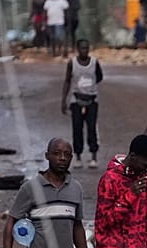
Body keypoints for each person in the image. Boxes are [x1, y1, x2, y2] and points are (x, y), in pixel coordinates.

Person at [62, 39, 103, 169]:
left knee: (92, 128)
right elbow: (67, 80)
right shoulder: (72, 63)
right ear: (77, 49)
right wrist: (64, 100)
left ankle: (93, 156)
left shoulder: (95, 63)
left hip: (92, 100)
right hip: (76, 101)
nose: (84, 51)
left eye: (86, 48)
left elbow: (99, 77)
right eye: (82, 48)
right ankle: (78, 156)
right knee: (77, 129)